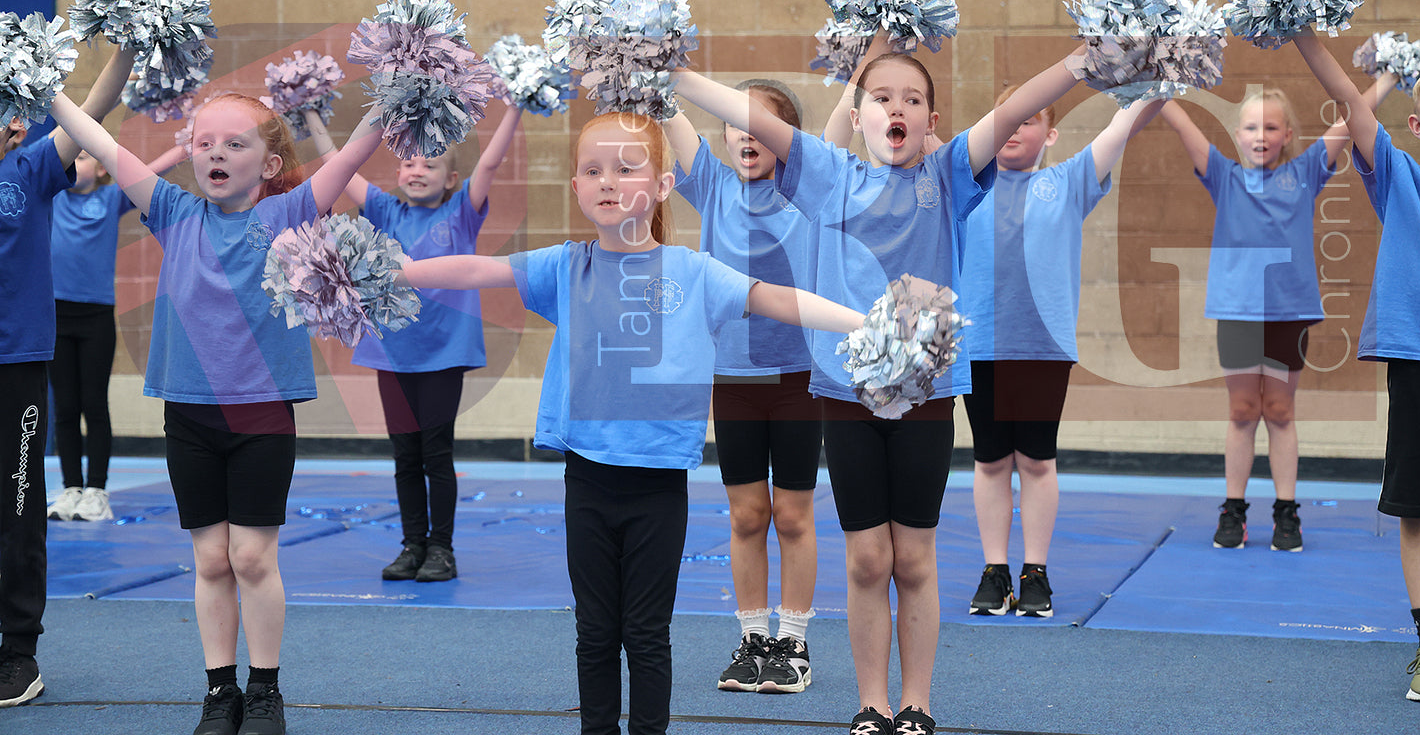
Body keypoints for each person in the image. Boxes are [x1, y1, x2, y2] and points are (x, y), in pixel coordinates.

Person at [402, 111, 865, 735]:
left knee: (646, 634)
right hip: (587, 479)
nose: (608, 182)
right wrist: (390, 274)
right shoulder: (565, 267)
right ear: (575, 189)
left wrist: (867, 324)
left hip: (659, 486)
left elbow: (776, 300)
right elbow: (474, 270)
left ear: (665, 185)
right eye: (592, 170)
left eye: (626, 168)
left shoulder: (695, 273)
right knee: (594, 633)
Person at [674, 47, 1088, 735]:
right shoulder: (827, 175)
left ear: (931, 121)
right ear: (859, 114)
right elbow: (753, 119)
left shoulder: (951, 174)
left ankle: (917, 703)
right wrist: (673, 76)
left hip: (926, 398)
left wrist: (1081, 62)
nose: (897, 107)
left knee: (914, 557)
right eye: (882, 97)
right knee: (868, 557)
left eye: (912, 99)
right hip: (847, 398)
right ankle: (871, 702)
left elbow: (1015, 108)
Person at [48, 90, 383, 735]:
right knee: (209, 560)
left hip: (261, 415)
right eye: (204, 144)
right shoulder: (171, 210)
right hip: (190, 415)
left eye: (235, 144)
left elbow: (354, 152)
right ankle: (218, 690)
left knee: (253, 558)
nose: (216, 155)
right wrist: (46, 89)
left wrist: (400, 86)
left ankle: (265, 691)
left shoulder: (290, 210)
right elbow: (100, 142)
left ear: (269, 159)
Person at [1294, 31, 1420, 705]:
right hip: (1418, 365)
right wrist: (1299, 29)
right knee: (1418, 510)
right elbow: (1349, 101)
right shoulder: (1398, 177)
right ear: (1416, 124)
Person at [1157, 76, 1390, 552]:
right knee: (1243, 411)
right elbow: (1182, 124)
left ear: (1288, 135)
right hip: (1239, 314)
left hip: (1289, 313)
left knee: (1280, 411)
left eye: (1270, 127)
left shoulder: (1305, 172)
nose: (1260, 136)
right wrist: (1151, 80)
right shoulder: (1225, 176)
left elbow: (1350, 121)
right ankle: (1234, 508)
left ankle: (1286, 511)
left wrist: (1389, 75)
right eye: (1250, 127)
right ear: (1237, 135)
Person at [961, 91, 1162, 618]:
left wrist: (1164, 74)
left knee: (1035, 459)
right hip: (979, 344)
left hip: (1041, 349)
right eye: (1004, 120)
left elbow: (1124, 126)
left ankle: (1035, 570)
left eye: (1027, 121)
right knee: (989, 461)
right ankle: (994, 568)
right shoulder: (961, 182)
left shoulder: (1067, 181)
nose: (1013, 130)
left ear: (1049, 135)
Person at [309, 104, 520, 584]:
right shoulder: (384, 209)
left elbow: (488, 164)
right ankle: (412, 545)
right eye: (409, 163)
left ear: (451, 179)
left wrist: (515, 109)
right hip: (393, 354)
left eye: (430, 164)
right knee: (405, 453)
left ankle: (441, 550)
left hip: (443, 355)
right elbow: (338, 166)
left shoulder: (462, 213)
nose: (417, 170)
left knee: (436, 452)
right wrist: (312, 117)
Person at [664, 80, 821, 694]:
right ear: (723, 134)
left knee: (794, 515)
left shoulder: (808, 191)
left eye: (764, 123)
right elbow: (668, 110)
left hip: (800, 380)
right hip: (732, 381)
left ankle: (794, 642)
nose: (747, 132)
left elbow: (831, 129)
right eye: (736, 121)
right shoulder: (711, 185)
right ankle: (754, 639)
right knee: (748, 513)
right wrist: (644, 57)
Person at [0, 46, 131, 708]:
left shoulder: (29, 168)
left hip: (17, 363)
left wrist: (133, 41)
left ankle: (18, 652)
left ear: (11, 124)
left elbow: (95, 107)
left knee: (18, 508)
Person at [48, 143, 186, 523]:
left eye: (83, 157)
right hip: (56, 315)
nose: (75, 164)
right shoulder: (54, 198)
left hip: (95, 317)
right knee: (64, 407)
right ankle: (71, 488)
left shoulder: (110, 199)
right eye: (70, 159)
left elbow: (145, 175)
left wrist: (180, 149)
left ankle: (97, 491)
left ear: (103, 169)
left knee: (93, 403)